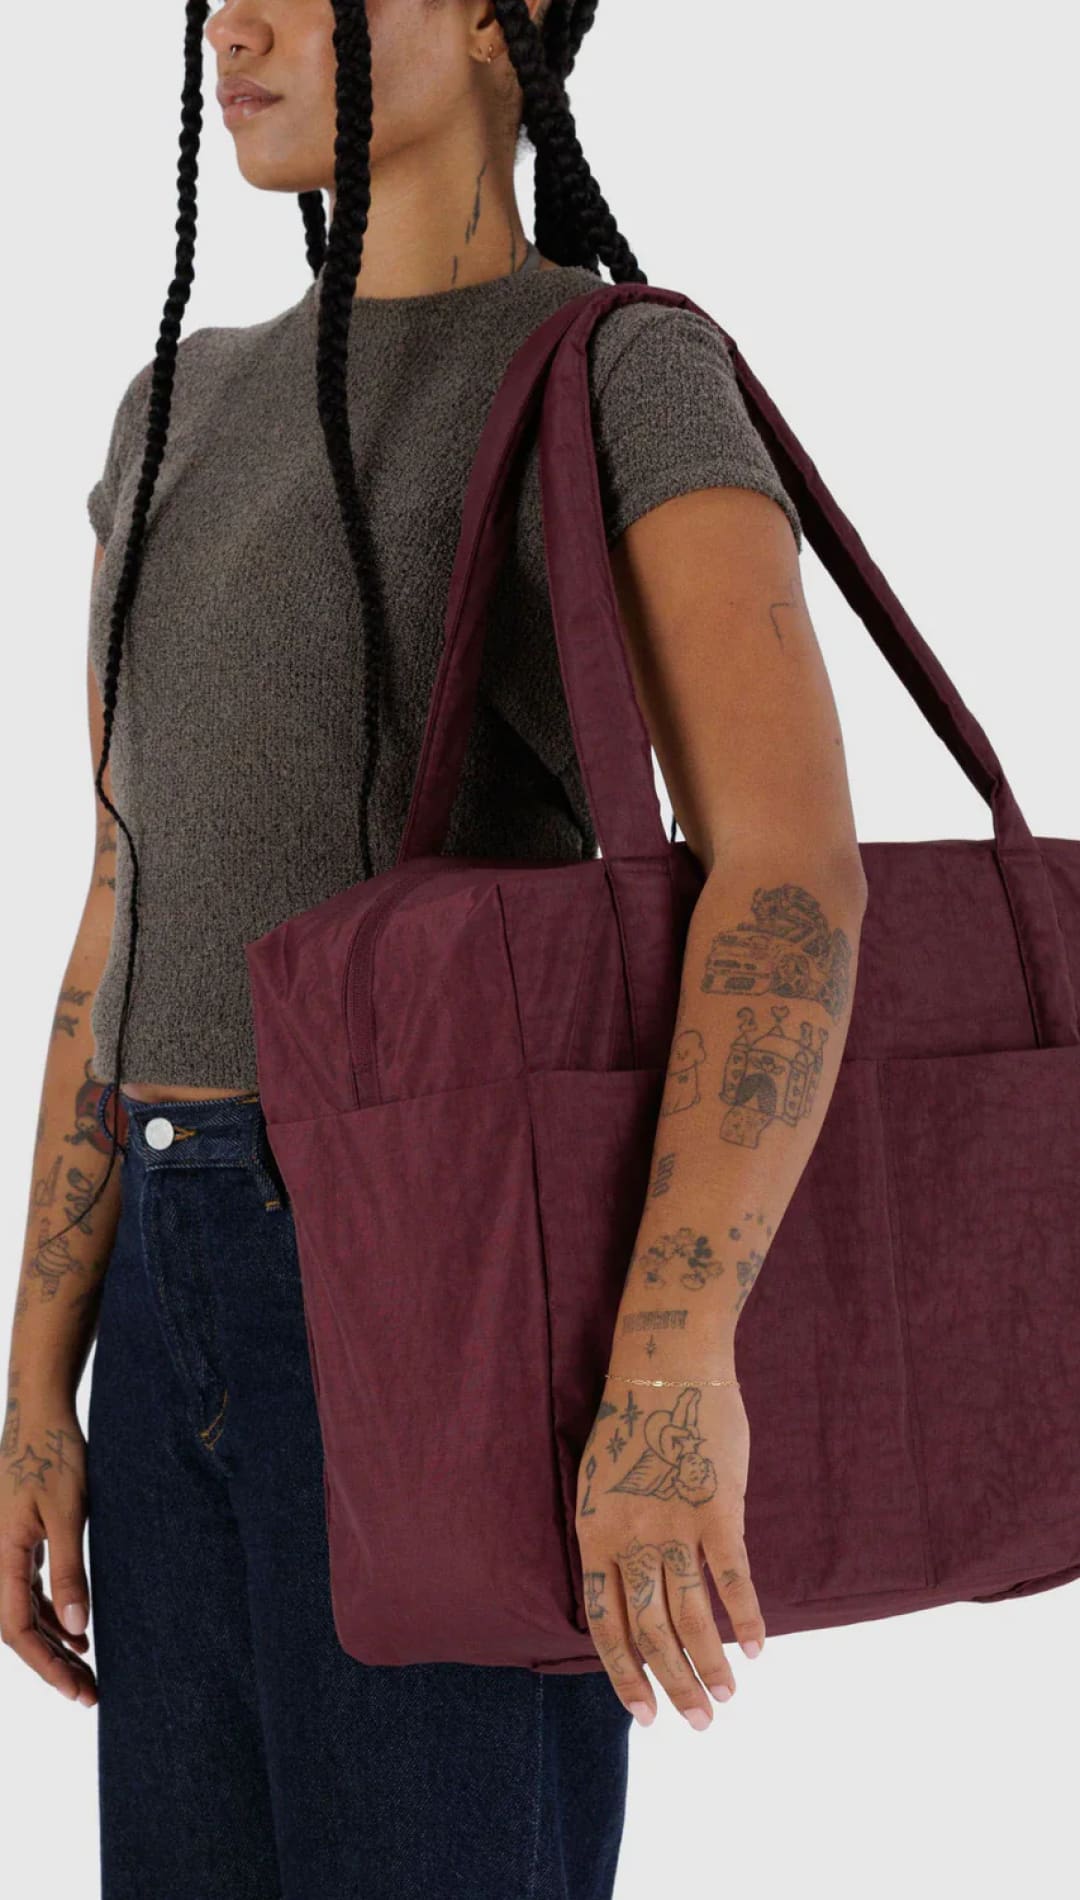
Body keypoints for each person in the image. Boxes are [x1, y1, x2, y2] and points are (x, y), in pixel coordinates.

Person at [0, 3, 868, 1896]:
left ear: (498, 17)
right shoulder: (170, 406)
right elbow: (124, 893)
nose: (233, 25)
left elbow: (789, 873)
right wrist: (37, 1382)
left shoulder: (610, 368)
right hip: (166, 1278)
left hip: (443, 1283)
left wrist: (671, 1363)